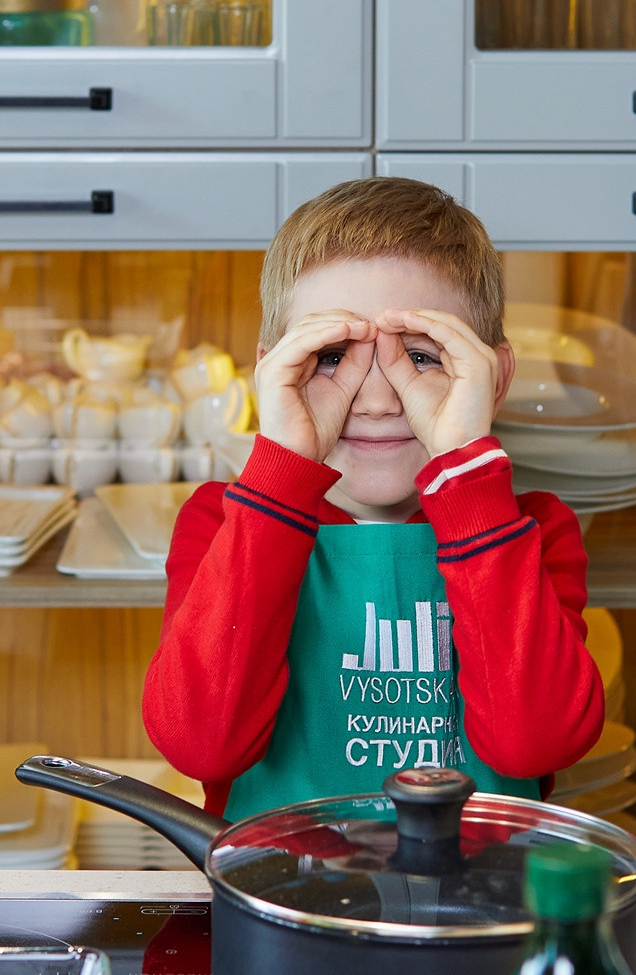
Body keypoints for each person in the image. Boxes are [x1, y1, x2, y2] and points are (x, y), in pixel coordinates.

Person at [143, 178, 604, 817]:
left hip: (481, 884)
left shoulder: (534, 529)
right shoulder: (220, 523)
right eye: (331, 357)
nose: (380, 399)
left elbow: (536, 745)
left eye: (421, 357)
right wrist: (281, 470)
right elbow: (200, 745)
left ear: (493, 379)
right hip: (282, 880)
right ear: (272, 374)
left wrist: (468, 482)